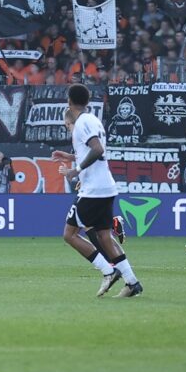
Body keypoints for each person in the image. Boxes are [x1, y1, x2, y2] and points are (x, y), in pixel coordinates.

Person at [56, 84, 142, 298]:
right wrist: (72, 157)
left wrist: (75, 170)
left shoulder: (82, 122)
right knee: (103, 236)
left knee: (69, 234)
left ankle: (108, 271)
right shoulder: (93, 119)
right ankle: (132, 282)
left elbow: (97, 149)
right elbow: (94, 151)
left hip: (92, 190)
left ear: (69, 101)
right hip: (106, 186)